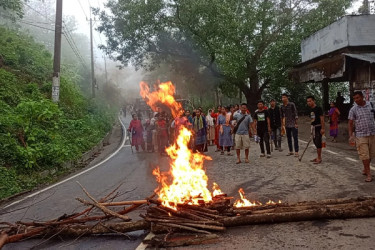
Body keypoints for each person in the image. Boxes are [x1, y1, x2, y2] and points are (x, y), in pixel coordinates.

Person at [348, 91, 375, 182]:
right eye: (354, 99)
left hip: (372, 133)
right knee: (364, 155)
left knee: (371, 154)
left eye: (358, 98)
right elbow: (350, 123)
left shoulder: (371, 105)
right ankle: (368, 174)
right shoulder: (353, 109)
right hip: (360, 135)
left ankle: (365, 168)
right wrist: (351, 135)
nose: (356, 100)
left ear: (362, 97)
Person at [307, 96, 325, 164]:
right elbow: (312, 119)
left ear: (314, 101)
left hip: (318, 127)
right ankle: (318, 156)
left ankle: (319, 158)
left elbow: (322, 119)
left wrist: (323, 128)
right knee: (315, 142)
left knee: (318, 142)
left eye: (310, 101)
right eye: (308, 101)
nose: (309, 102)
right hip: (313, 127)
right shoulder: (310, 109)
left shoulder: (318, 108)